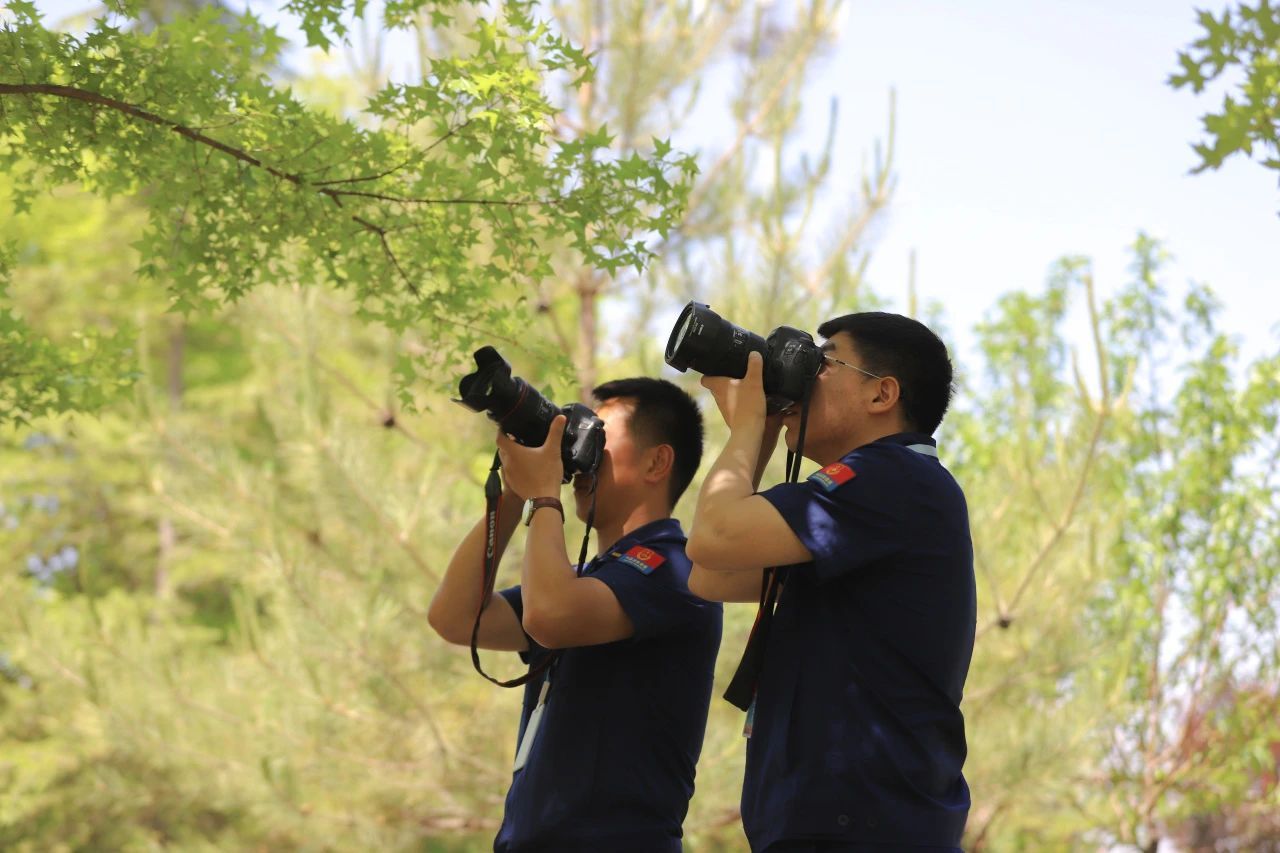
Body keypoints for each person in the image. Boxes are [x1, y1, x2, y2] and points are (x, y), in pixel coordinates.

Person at [686, 312, 975, 852]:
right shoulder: (852, 509)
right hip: (831, 828)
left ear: (882, 394)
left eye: (821, 362)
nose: (801, 376)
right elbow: (710, 573)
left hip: (869, 829)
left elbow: (713, 537)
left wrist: (749, 429)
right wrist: (764, 434)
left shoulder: (896, 478)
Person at [428, 377, 722, 853]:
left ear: (656, 461)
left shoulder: (676, 568)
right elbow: (456, 618)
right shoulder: (584, 579)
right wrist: (512, 495)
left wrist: (545, 495)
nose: (579, 459)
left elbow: (549, 615)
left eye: (598, 439)